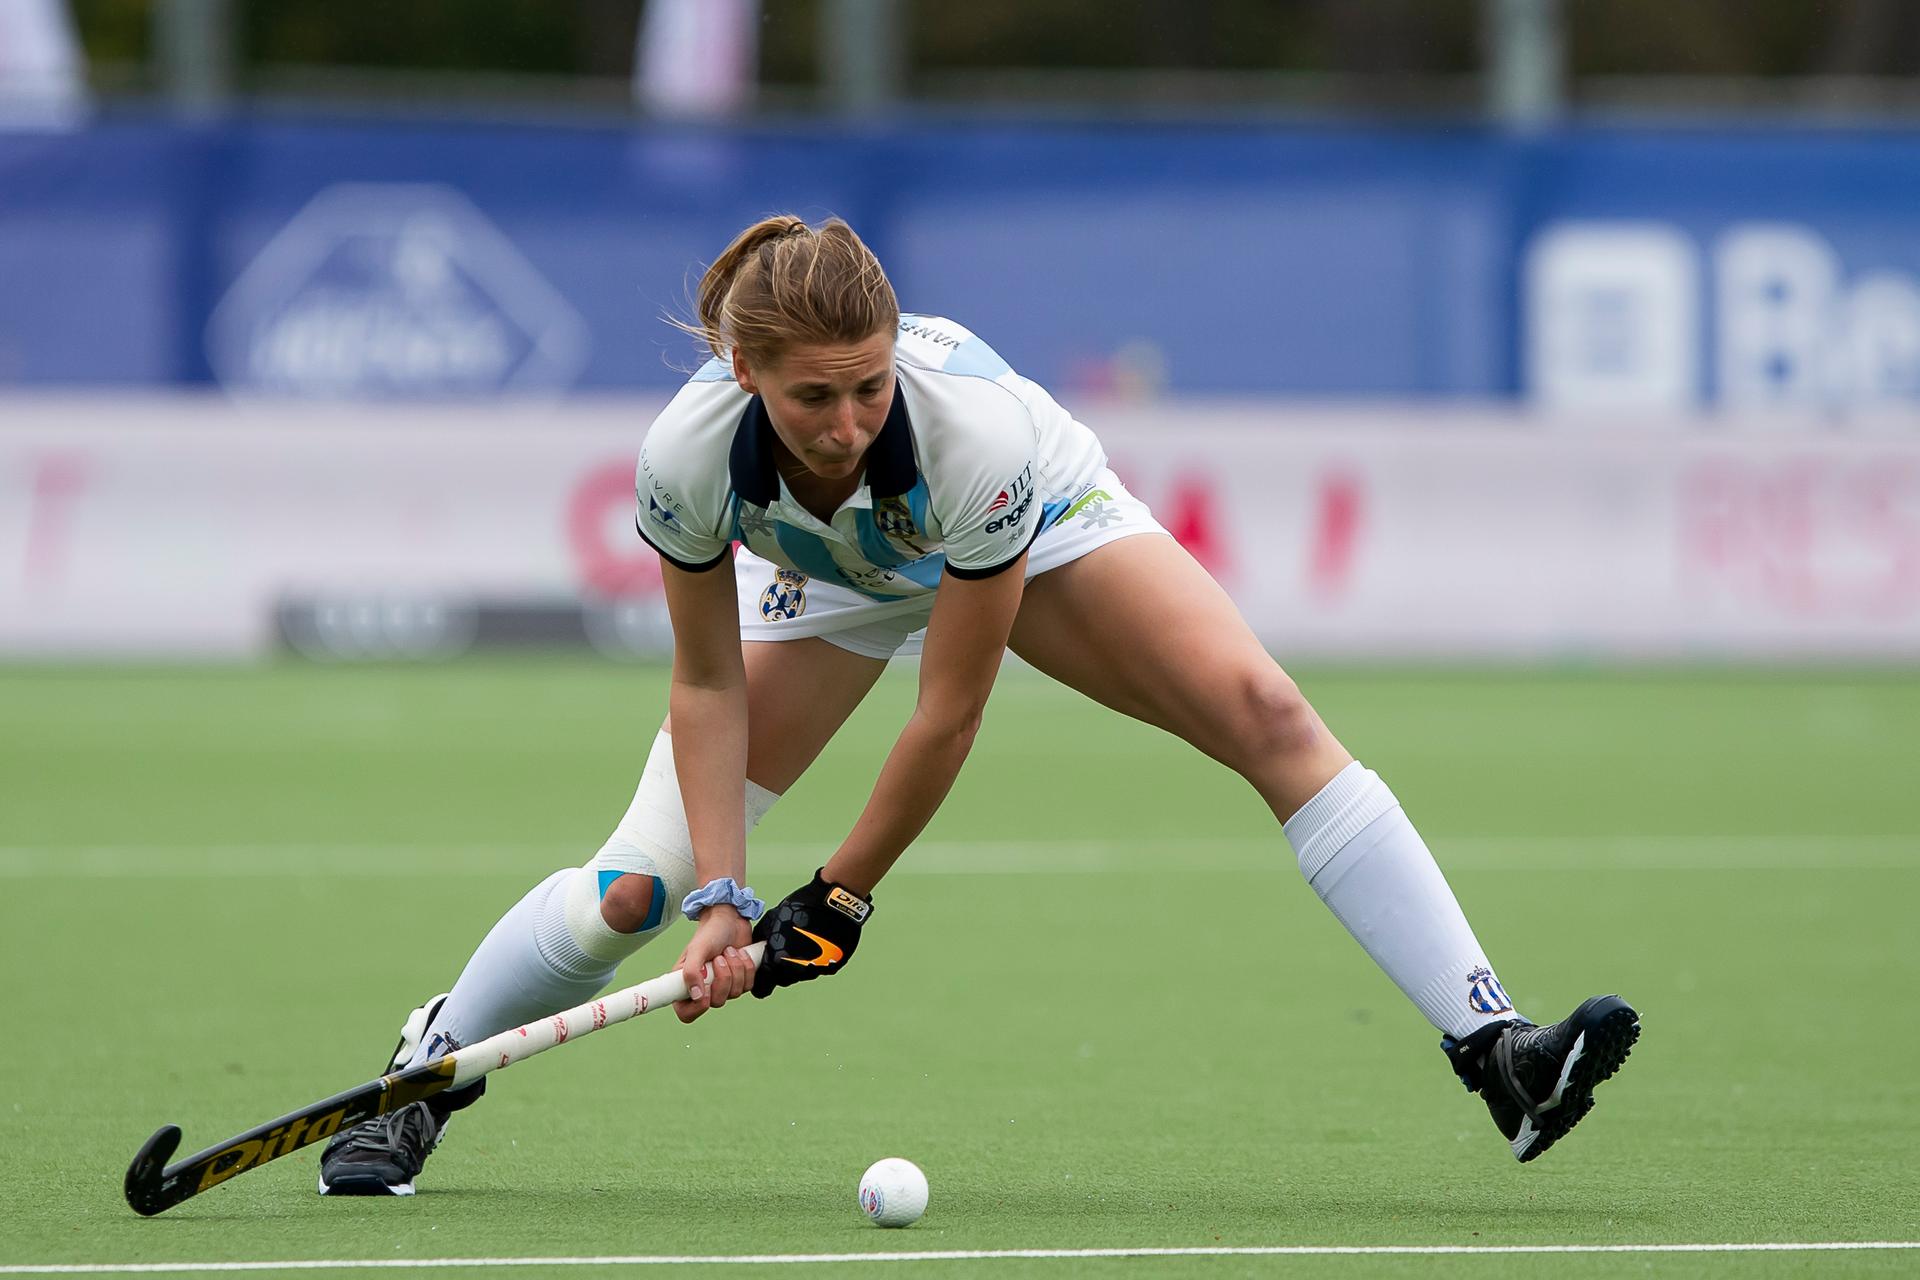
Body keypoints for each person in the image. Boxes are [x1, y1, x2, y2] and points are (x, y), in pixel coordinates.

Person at [317, 215, 1639, 1196]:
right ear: (745, 374)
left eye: (868, 387)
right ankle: (429, 1065)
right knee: (632, 893)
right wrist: (722, 893)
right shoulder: (684, 457)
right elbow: (707, 678)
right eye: (811, 397)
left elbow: (948, 712)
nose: (845, 423)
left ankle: (1497, 1048)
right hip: (825, 584)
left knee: (1267, 714)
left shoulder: (978, 438)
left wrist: (838, 896)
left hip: (1022, 529)